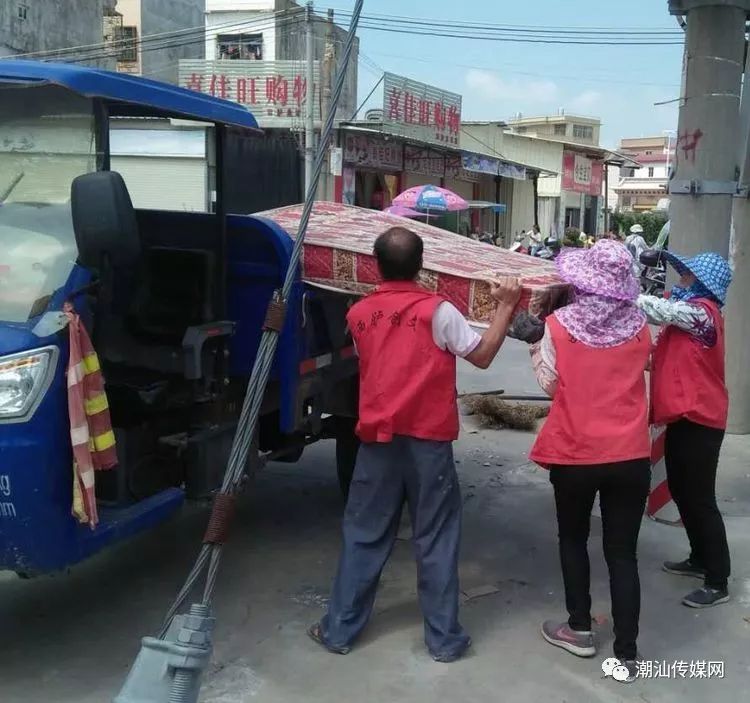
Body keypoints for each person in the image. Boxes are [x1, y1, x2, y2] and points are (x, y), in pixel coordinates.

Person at [308, 226, 522, 662]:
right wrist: (504, 306)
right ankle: (443, 641)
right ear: (422, 266)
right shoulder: (439, 311)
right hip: (428, 441)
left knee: (363, 535)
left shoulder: (358, 314)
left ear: (375, 264)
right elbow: (481, 355)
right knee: (436, 538)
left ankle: (338, 631)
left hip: (377, 441)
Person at [514, 240, 652, 684]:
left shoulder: (556, 326)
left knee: (573, 538)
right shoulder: (641, 326)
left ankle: (579, 628)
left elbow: (552, 386)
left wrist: (535, 343)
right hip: (630, 454)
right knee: (622, 553)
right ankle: (628, 653)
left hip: (575, 453)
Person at [637, 251, 732, 608]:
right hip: (682, 416)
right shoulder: (687, 319)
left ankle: (717, 579)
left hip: (701, 419)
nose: (681, 279)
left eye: (687, 275)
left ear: (703, 283)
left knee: (700, 498)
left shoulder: (702, 314)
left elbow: (658, 309)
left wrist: (613, 291)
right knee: (680, 488)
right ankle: (698, 557)